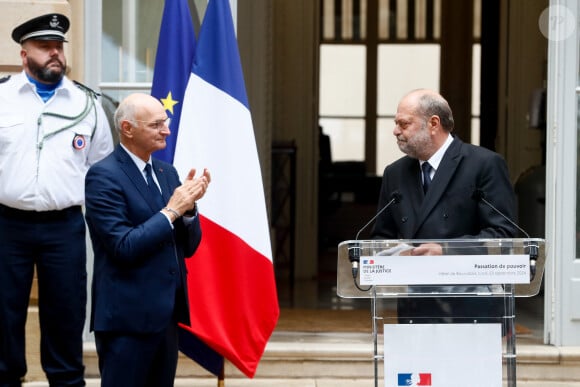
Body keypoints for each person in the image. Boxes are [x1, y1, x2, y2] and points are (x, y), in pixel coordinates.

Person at [0, 13, 114, 387]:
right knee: (3, 315)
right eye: (45, 47)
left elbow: (101, 172)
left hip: (64, 226)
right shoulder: (2, 98)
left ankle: (66, 382)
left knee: (65, 314)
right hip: (6, 225)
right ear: (24, 54)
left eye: (59, 46)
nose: (55, 53)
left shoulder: (86, 104)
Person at [84, 93, 210, 386]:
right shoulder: (103, 176)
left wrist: (189, 211)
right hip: (126, 321)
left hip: (165, 316)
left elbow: (187, 247)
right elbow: (123, 247)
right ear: (127, 128)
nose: (166, 130)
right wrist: (172, 210)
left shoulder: (168, 173)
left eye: (164, 123)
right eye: (156, 125)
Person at [371, 88, 517, 323]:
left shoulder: (484, 164)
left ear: (433, 123)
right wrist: (396, 252)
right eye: (396, 123)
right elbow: (380, 236)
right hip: (414, 305)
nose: (395, 131)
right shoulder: (395, 173)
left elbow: (503, 235)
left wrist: (446, 250)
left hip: (470, 305)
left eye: (404, 123)